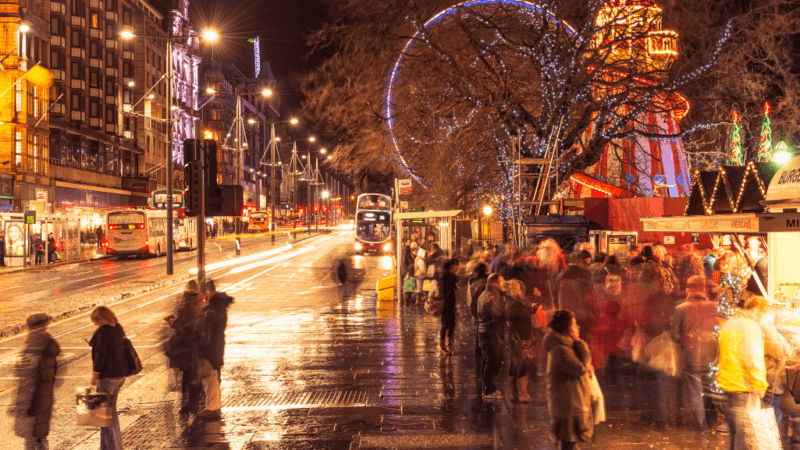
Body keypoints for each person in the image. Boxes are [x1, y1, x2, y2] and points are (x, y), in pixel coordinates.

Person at [717, 296, 769, 450]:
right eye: (764, 314)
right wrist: (759, 384)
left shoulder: (729, 323)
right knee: (745, 434)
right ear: (756, 309)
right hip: (743, 384)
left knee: (734, 430)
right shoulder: (749, 327)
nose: (764, 318)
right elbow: (752, 358)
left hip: (728, 381)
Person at [670, 275, 717, 431]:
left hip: (691, 356)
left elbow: (674, 335)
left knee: (695, 391)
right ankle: (712, 420)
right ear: (703, 289)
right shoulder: (714, 306)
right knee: (710, 389)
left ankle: (701, 424)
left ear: (687, 289)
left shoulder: (680, 308)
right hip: (711, 356)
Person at [543, 310, 594, 450]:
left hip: (569, 404)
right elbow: (580, 368)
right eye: (574, 324)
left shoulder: (564, 347)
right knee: (569, 443)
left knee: (570, 443)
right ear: (566, 327)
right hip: (567, 407)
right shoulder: (561, 350)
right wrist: (580, 344)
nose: (577, 327)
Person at [89, 306, 128, 450]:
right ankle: (108, 445)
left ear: (101, 319)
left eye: (96, 320)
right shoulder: (118, 327)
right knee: (110, 413)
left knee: (105, 415)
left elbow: (101, 354)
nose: (95, 324)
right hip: (120, 376)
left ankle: (112, 447)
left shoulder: (103, 331)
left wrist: (95, 373)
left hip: (108, 377)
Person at [194, 280, 234, 418]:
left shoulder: (214, 308)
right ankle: (214, 406)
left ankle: (212, 408)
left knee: (210, 378)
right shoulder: (216, 306)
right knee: (212, 377)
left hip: (211, 347)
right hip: (214, 346)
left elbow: (207, 327)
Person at [165, 280, 205, 414]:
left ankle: (188, 403)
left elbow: (177, 324)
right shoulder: (198, 307)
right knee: (193, 375)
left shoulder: (186, 308)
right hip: (196, 346)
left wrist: (169, 320)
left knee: (188, 377)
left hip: (186, 346)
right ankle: (194, 403)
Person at [24, 314, 60, 449]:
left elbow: (41, 379)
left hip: (36, 401)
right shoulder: (45, 345)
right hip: (42, 399)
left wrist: (32, 405)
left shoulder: (38, 347)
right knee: (38, 438)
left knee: (35, 440)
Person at [504, 279, 535, 402]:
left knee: (514, 364)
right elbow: (527, 315)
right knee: (523, 364)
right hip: (522, 338)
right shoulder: (517, 304)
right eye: (519, 289)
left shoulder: (509, 302)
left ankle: (513, 394)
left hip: (514, 338)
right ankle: (523, 395)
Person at [477, 273, 506, 399]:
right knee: (493, 361)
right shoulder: (492, 297)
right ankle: (488, 389)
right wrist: (502, 336)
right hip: (490, 334)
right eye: (502, 281)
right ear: (495, 284)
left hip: (483, 332)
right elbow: (497, 317)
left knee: (487, 360)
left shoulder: (484, 294)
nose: (504, 284)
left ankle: (486, 386)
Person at [554, 252, 594, 340]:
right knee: (582, 341)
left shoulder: (560, 276)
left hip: (565, 316)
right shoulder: (585, 275)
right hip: (582, 316)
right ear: (580, 261)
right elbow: (590, 298)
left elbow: (555, 297)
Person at [439, 259, 460, 355]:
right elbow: (442, 291)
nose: (458, 267)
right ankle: (442, 347)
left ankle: (449, 346)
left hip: (451, 304)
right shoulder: (446, 276)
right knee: (445, 325)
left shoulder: (452, 276)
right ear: (451, 266)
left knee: (452, 324)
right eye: (456, 265)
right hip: (445, 305)